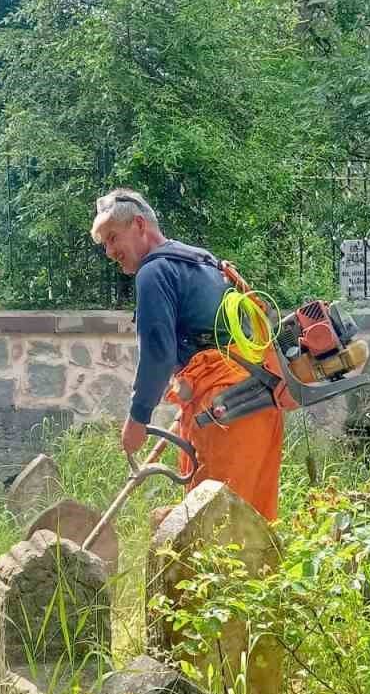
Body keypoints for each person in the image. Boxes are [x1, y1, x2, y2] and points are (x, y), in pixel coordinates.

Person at [90, 187, 283, 521]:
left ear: (139, 225)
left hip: (223, 411)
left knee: (215, 529)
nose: (109, 251)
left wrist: (138, 418)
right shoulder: (201, 261)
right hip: (259, 401)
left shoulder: (154, 273)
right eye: (104, 244)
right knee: (254, 523)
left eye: (112, 238)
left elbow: (158, 354)